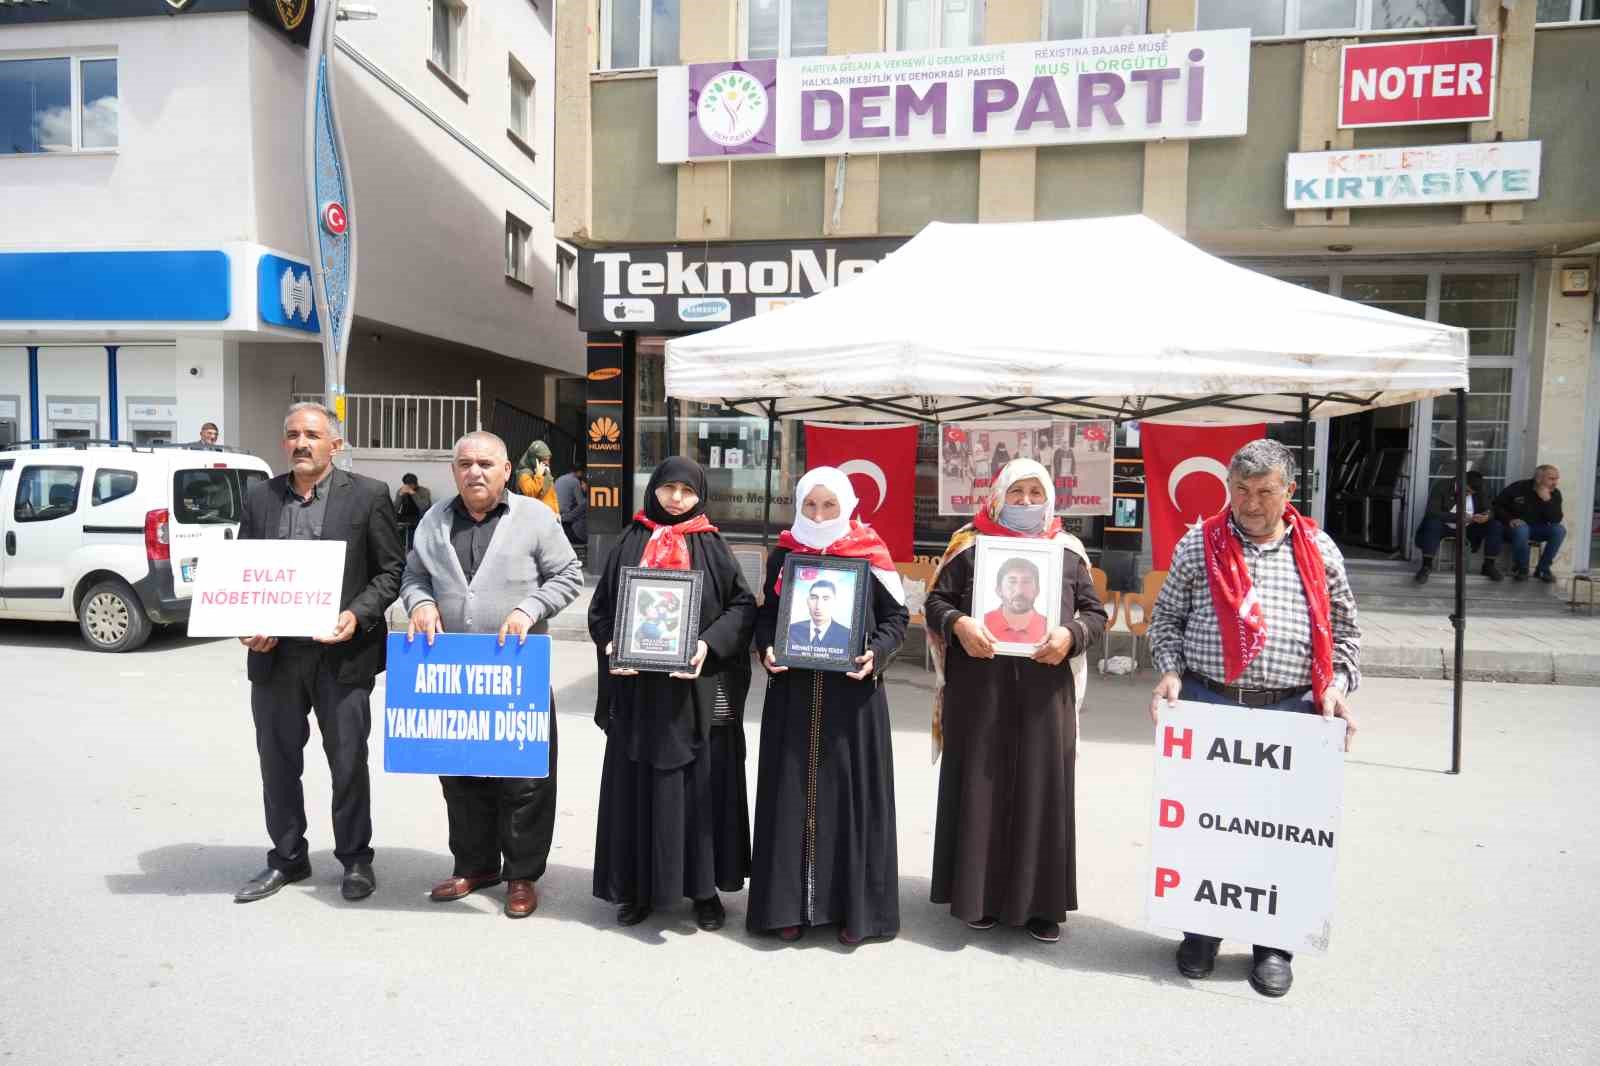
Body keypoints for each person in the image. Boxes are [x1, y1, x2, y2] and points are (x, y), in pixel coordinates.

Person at [1147, 438, 1360, 999]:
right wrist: (1169, 671)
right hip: (1211, 706)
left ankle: (1273, 946)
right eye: (1241, 490)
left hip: (1293, 711)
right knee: (1208, 828)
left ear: (1289, 491)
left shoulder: (1319, 549)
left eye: (1265, 491)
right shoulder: (1201, 543)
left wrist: (1335, 689)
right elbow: (1165, 619)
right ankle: (1202, 933)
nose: (1252, 503)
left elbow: (1346, 639)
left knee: (1277, 834)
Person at [925, 458, 1107, 944]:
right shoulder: (969, 546)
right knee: (980, 788)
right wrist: (960, 625)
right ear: (997, 495)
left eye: (1034, 492)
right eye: (1016, 492)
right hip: (980, 692)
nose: (1025, 502)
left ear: (1049, 497)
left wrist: (1071, 635)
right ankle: (976, 896)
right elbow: (936, 603)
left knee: (1040, 790)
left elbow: (1095, 613)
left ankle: (1040, 905)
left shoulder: (1066, 552)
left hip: (1045, 693)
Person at [401, 432, 582, 919]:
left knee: (524, 779)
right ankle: (475, 864)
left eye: (485, 463)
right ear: (453, 470)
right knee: (460, 774)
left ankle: (521, 873)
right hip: (453, 673)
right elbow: (413, 575)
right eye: (464, 463)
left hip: (516, 672)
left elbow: (568, 575)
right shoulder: (434, 520)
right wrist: (419, 603)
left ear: (506, 470)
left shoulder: (536, 518)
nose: (474, 472)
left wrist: (529, 608)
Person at [233, 402, 405, 904]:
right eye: (292, 434)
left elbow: (390, 572)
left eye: (311, 433)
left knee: (347, 762)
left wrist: (356, 615)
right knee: (277, 761)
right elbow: (246, 573)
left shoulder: (369, 496)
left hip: (341, 655)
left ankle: (355, 860)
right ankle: (287, 857)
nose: (301, 443)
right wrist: (249, 624)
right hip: (276, 658)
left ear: (336, 444)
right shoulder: (260, 498)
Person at [588, 457, 757, 931]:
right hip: (639, 695)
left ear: (699, 493)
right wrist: (610, 641)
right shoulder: (631, 539)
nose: (677, 499)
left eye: (686, 490)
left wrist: (707, 644)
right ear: (654, 490)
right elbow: (601, 608)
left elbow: (743, 607)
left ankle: (704, 892)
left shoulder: (711, 543)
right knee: (639, 789)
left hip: (694, 696)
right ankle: (638, 889)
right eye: (668, 488)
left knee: (700, 792)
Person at [748, 469, 908, 946]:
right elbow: (766, 616)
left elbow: (897, 617)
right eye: (811, 506)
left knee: (849, 797)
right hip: (794, 698)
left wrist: (875, 654)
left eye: (829, 506)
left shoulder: (869, 552)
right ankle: (787, 907)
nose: (818, 515)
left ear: (847, 506)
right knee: (791, 795)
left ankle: (851, 910)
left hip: (853, 700)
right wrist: (766, 648)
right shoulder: (785, 554)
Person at [1414, 470, 1503, 584]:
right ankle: (1426, 566)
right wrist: (1458, 516)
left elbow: (1490, 509)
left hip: (1469, 527)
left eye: (1471, 493)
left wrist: (1486, 516)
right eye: (1467, 491)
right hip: (1445, 526)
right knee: (1432, 523)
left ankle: (1488, 565)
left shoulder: (1479, 489)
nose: (1469, 494)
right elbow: (1432, 512)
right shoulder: (1442, 486)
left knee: (1495, 525)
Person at [1493, 464, 1565, 583]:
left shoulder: (1555, 494)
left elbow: (1556, 520)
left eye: (1557, 479)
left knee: (1559, 530)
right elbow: (1497, 505)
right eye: (1551, 479)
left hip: (1537, 529)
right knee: (1522, 529)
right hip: (1513, 528)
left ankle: (1543, 569)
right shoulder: (1518, 487)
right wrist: (1510, 519)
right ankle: (1522, 569)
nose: (1555, 482)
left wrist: (1547, 501)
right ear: (1538, 479)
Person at [982, 556, 1047, 644]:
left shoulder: (1049, 628)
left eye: (1026, 582)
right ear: (999, 590)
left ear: (1037, 590)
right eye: (1012, 582)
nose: (1019, 591)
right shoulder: (981, 624)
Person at [786, 579, 852, 653]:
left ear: (835, 602)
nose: (818, 606)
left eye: (826, 599)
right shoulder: (790, 631)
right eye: (814, 598)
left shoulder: (847, 636)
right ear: (807, 601)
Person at [514, 439, 560, 513]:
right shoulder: (524, 473)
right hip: (535, 517)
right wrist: (538, 475)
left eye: (548, 459)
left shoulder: (546, 473)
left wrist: (557, 513)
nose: (547, 463)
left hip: (550, 516)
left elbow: (552, 495)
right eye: (544, 459)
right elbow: (530, 493)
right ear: (534, 459)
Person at [394, 473, 433, 550]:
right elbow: (395, 509)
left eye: (411, 484)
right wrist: (400, 495)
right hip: (405, 516)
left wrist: (413, 493)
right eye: (407, 484)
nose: (409, 487)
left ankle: (412, 547)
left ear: (415, 483)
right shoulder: (401, 490)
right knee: (390, 517)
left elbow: (424, 507)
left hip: (419, 517)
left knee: (414, 528)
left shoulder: (424, 491)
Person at [555, 463, 588, 544]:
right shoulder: (575, 481)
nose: (581, 484)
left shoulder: (559, 479)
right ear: (580, 472)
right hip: (566, 517)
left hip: (555, 511)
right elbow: (581, 503)